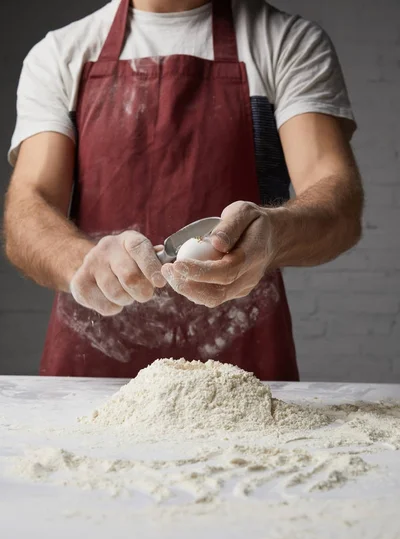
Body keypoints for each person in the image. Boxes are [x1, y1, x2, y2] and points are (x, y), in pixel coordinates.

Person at [3, 0, 363, 380]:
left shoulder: (287, 42)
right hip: (89, 374)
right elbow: (29, 207)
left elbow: (337, 203)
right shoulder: (62, 53)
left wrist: (273, 233)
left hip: (243, 371)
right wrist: (86, 262)